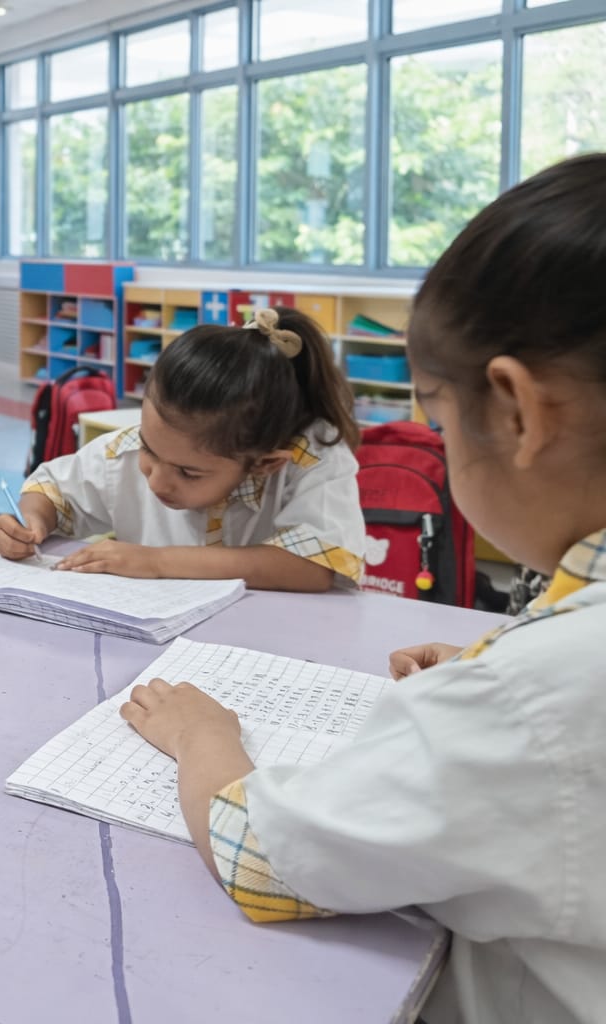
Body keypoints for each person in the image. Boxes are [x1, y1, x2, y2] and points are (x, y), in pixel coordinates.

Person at [119, 154, 606, 1024]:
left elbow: (262, 855)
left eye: (440, 416)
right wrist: (494, 669)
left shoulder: (534, 694)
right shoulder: (548, 674)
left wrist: (204, 736)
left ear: (517, 413)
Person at [0, 306, 365, 592]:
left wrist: (156, 562)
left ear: (264, 464)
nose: (157, 480)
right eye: (148, 449)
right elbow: (51, 490)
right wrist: (32, 523)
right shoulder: (130, 453)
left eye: (188, 472)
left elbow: (313, 567)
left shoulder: (314, 462)